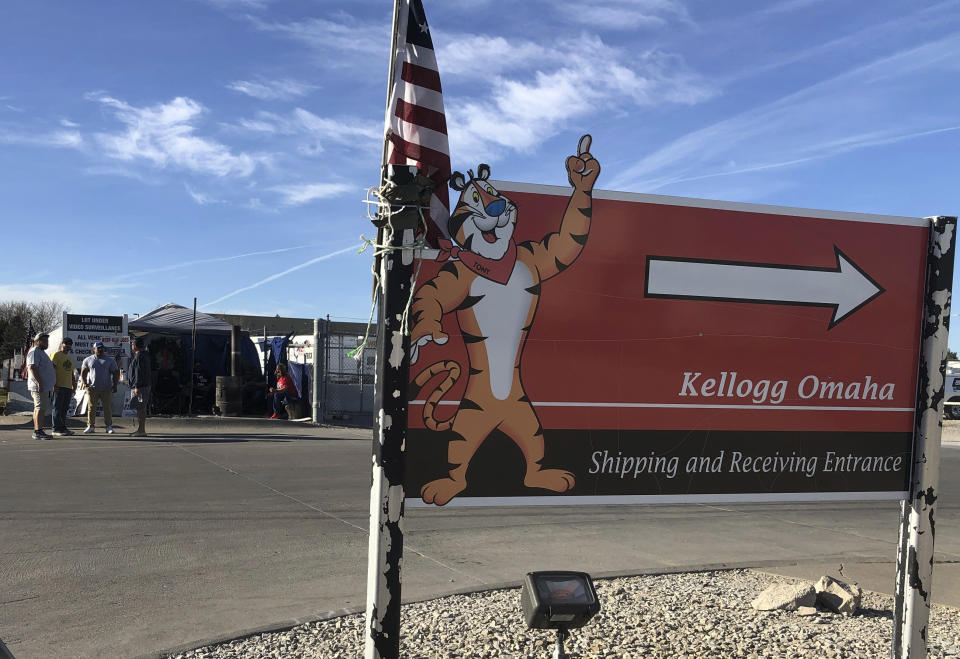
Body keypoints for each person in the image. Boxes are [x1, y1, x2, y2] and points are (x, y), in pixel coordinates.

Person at [80, 341, 119, 434]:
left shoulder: (110, 360)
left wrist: (115, 384)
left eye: (102, 348)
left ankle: (109, 426)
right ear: (94, 349)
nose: (100, 350)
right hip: (93, 388)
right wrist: (85, 383)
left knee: (107, 408)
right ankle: (91, 426)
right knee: (91, 408)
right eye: (98, 348)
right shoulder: (88, 360)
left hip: (106, 388)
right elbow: (83, 372)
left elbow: (116, 372)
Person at [26, 332, 56, 440]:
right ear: (37, 341)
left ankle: (37, 430)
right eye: (43, 340)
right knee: (40, 408)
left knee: (39, 408)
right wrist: (39, 383)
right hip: (39, 386)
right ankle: (38, 431)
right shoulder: (34, 351)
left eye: (47, 340)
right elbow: (32, 367)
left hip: (45, 386)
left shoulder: (41, 352)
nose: (46, 342)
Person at [50, 336, 77, 437]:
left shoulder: (69, 358)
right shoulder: (56, 355)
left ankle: (62, 428)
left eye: (70, 344)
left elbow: (71, 373)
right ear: (62, 344)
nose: (68, 346)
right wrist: (53, 384)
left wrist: (73, 386)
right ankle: (55, 429)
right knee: (57, 408)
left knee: (64, 409)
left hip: (67, 387)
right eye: (66, 344)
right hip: (59, 386)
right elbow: (51, 370)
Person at [127, 336, 152, 437]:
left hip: (141, 387)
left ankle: (141, 430)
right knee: (139, 408)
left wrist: (137, 386)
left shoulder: (140, 356)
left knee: (141, 408)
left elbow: (139, 372)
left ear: (135, 346)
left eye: (132, 344)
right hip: (142, 386)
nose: (131, 346)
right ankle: (140, 429)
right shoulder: (143, 355)